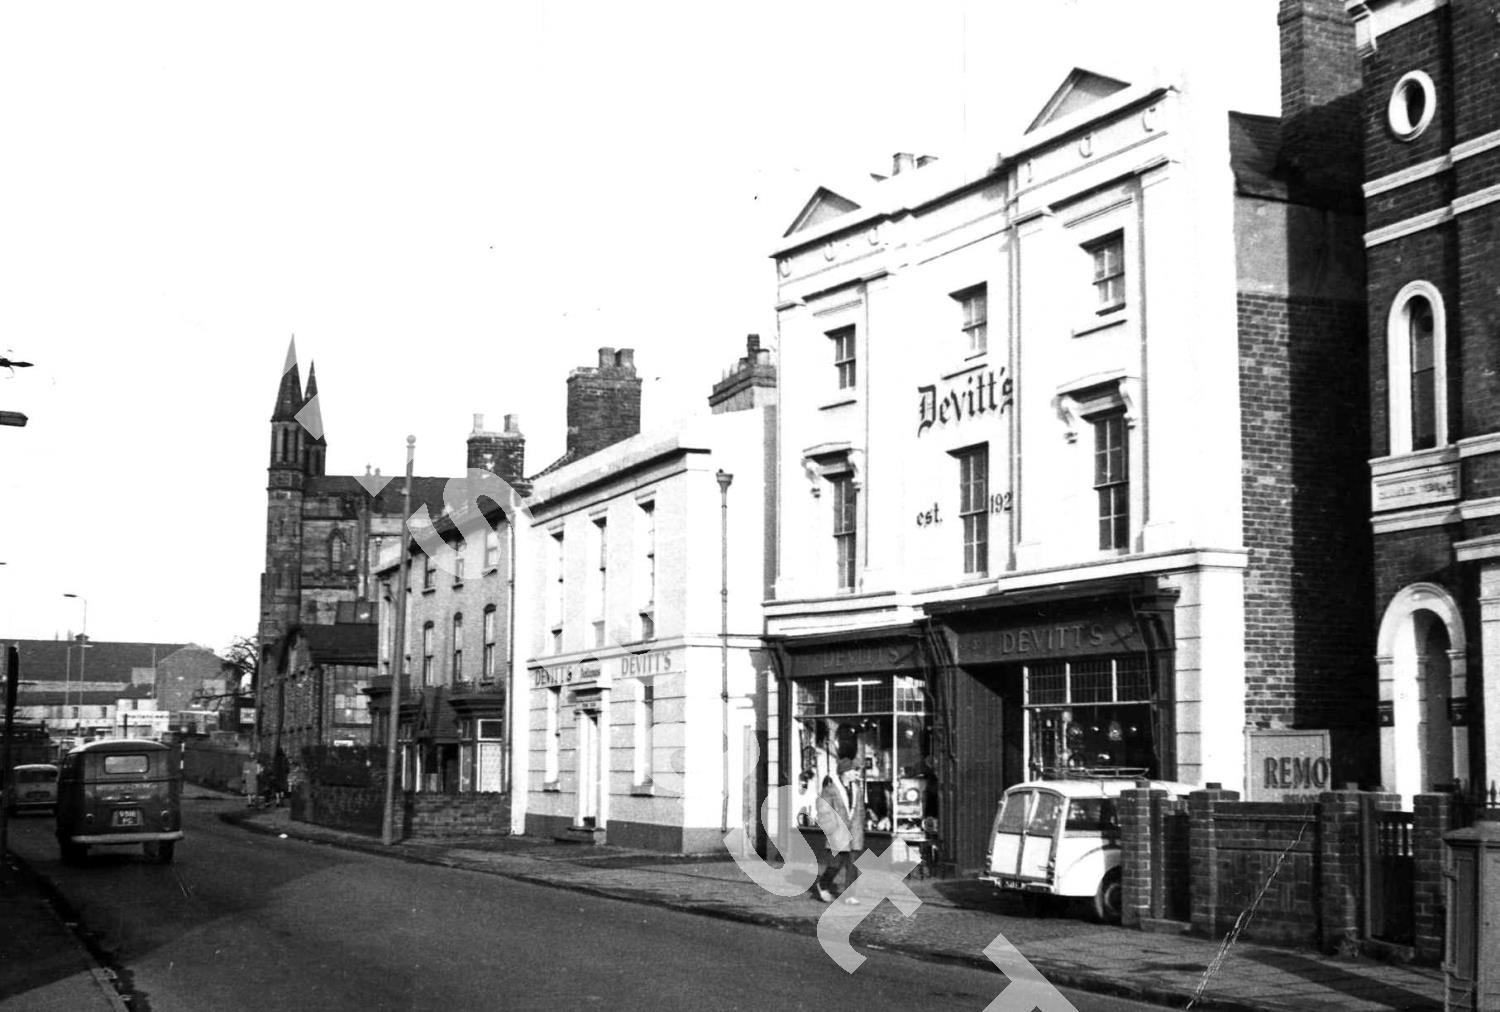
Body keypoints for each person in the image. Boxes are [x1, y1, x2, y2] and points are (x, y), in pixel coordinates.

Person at [814, 760, 866, 903]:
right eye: (854, 770)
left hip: (855, 831)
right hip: (838, 832)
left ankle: (850, 895)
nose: (857, 773)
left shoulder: (857, 789)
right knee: (836, 864)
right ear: (845, 772)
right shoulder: (830, 789)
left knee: (853, 863)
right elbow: (823, 811)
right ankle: (823, 884)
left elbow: (860, 809)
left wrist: (860, 825)